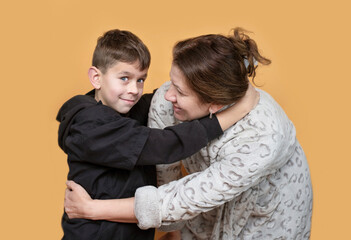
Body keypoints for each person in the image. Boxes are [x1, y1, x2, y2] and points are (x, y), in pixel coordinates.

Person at [64, 28, 313, 239]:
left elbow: (179, 199)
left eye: (180, 92)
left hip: (263, 221)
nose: (166, 95)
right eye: (171, 83)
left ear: (214, 104)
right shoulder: (100, 120)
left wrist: (93, 209)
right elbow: (165, 160)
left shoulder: (262, 138)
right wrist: (172, 227)